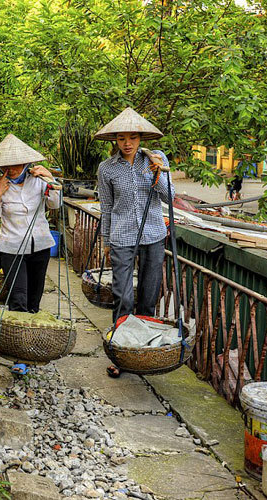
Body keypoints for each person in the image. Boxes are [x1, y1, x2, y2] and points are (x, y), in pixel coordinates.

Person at [95, 107, 175, 377]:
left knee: (149, 296)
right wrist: (106, 241)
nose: (127, 143)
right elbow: (106, 207)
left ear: (141, 138)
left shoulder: (157, 159)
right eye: (121, 138)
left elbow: (169, 198)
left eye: (132, 138)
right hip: (121, 237)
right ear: (115, 141)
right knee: (123, 297)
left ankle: (143, 352)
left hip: (153, 235)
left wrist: (157, 172)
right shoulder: (106, 169)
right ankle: (119, 352)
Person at [0, 134, 62, 313]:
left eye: (15, 164)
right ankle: (17, 338)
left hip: (40, 246)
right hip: (12, 248)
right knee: (18, 298)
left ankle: (30, 337)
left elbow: (55, 204)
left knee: (34, 298)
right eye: (5, 165)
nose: (10, 169)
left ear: (26, 163)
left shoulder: (38, 181)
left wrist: (50, 179)